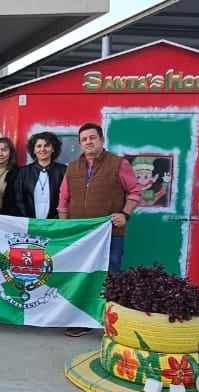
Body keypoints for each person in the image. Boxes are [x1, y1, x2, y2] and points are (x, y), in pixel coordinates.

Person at [58, 122, 142, 335]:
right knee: (82, 277)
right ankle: (83, 320)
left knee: (111, 277)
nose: (88, 142)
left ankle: (113, 325)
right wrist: (64, 226)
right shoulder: (72, 167)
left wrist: (125, 214)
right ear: (80, 144)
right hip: (80, 236)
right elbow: (63, 199)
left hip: (110, 234)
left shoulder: (118, 164)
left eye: (92, 138)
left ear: (102, 140)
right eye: (84, 139)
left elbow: (135, 192)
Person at [14, 131, 67, 219]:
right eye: (39, 146)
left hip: (55, 223)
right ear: (34, 150)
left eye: (47, 145)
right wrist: (28, 219)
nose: (42, 149)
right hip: (30, 222)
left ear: (53, 149)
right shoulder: (23, 172)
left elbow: (66, 199)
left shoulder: (63, 171)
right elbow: (19, 199)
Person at [0, 137, 19, 216]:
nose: (0, 154)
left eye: (4, 150)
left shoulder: (17, 173)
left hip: (6, 217)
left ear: (11, 152)